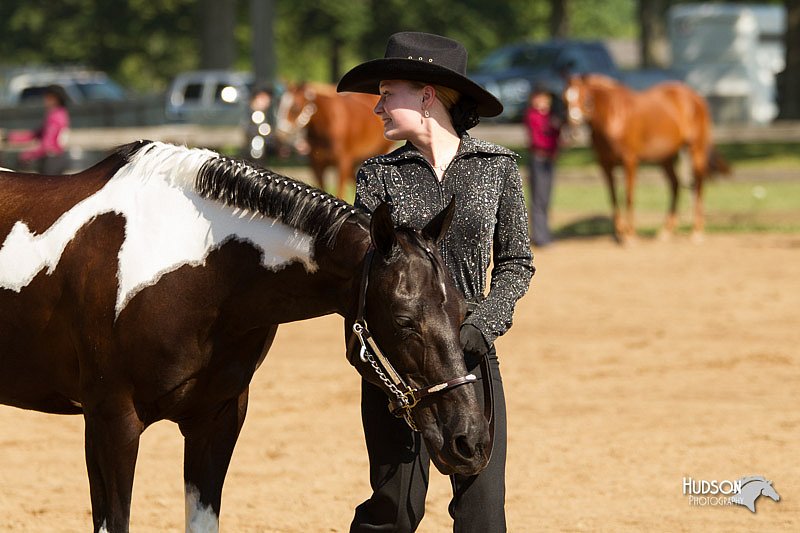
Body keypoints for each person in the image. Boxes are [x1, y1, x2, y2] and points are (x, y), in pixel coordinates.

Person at [337, 31, 534, 532]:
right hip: (400, 363)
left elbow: (516, 261)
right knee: (394, 511)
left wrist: (484, 324)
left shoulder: (498, 168)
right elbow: (364, 272)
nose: (377, 107)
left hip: (469, 355)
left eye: (388, 93)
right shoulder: (376, 175)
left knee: (483, 513)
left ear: (427, 96)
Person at [524, 82, 563, 247]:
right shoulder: (532, 116)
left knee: (546, 198)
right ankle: (540, 237)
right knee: (538, 199)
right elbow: (539, 139)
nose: (543, 102)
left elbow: (557, 136)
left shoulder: (551, 116)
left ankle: (545, 233)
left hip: (549, 160)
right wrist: (552, 126)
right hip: (538, 159)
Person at [3, 84, 71, 174]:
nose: (44, 100)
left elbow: (47, 144)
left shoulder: (54, 117)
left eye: (47, 97)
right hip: (57, 158)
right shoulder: (60, 114)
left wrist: (27, 155)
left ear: (54, 98)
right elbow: (36, 134)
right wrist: (11, 137)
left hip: (52, 161)